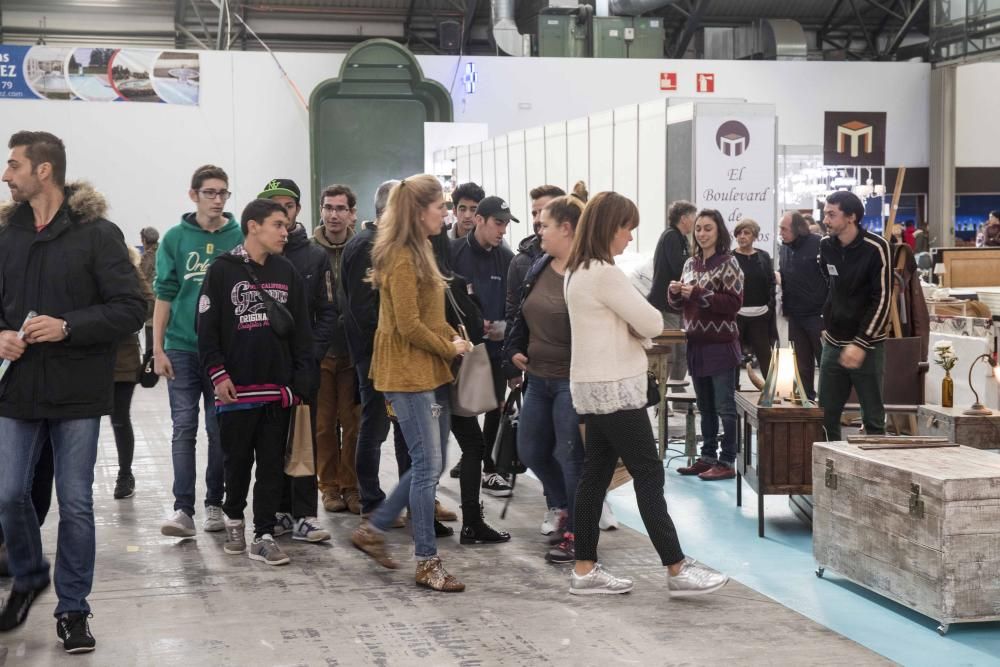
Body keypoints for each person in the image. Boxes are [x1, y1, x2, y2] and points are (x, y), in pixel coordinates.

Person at [0, 130, 146, 652]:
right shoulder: (6, 234)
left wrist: (68, 326)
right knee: (9, 493)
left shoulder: (98, 234)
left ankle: (74, 610)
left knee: (77, 503)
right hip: (17, 388)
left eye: (13, 164)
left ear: (44, 171)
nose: (5, 174)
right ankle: (28, 572)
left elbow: (133, 307)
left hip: (77, 390)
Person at [565, 191, 728, 597]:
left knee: (595, 477)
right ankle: (676, 567)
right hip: (617, 389)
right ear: (609, 227)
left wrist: (629, 325)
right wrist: (634, 326)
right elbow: (653, 322)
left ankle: (585, 568)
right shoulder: (604, 273)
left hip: (593, 388)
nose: (629, 239)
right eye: (626, 229)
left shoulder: (576, 271)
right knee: (649, 475)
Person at [351, 174, 470, 592]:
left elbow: (427, 314)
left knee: (431, 464)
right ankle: (426, 561)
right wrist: (447, 347)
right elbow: (407, 325)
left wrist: (453, 333)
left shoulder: (422, 249)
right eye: (441, 207)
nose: (447, 213)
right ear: (420, 211)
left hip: (425, 367)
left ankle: (375, 528)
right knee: (425, 468)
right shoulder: (402, 256)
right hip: (406, 370)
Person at [198, 199, 315, 565]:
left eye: (286, 225)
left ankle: (263, 534)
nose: (286, 231)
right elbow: (206, 329)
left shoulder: (287, 272)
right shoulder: (221, 271)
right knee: (236, 463)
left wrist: (298, 385)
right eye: (278, 225)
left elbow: (303, 334)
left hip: (277, 392)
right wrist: (218, 375)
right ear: (253, 226)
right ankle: (234, 518)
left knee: (270, 466)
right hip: (236, 393)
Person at [155, 164, 244, 539]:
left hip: (224, 352)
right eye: (209, 192)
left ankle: (214, 503)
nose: (217, 199)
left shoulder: (239, 235)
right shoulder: (175, 238)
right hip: (181, 348)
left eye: (223, 192)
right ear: (193, 195)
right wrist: (157, 349)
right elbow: (164, 294)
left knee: (219, 429)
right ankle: (183, 509)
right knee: (184, 429)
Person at [504, 195, 586, 564]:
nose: (539, 230)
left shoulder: (586, 273)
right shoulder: (538, 266)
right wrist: (515, 349)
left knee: (571, 457)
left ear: (566, 229)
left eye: (545, 225)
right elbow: (521, 313)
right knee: (530, 449)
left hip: (571, 380)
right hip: (537, 378)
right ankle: (562, 505)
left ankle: (579, 532)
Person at [259, 178, 336, 543]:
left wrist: (312, 356)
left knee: (305, 439)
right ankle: (276, 512)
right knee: (270, 441)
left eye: (286, 205)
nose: (281, 212)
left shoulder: (314, 256)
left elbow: (327, 312)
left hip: (303, 368)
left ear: (297, 210)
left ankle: (304, 514)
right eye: (273, 205)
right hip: (264, 370)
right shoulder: (255, 257)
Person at [341, 180, 412, 528]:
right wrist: (388, 345)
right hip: (374, 356)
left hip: (393, 355)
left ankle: (411, 498)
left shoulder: (389, 245)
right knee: (375, 425)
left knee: (403, 428)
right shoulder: (365, 247)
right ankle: (371, 499)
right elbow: (363, 309)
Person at [449, 196, 516, 498]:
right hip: (461, 349)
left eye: (504, 224)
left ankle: (488, 468)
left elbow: (515, 305)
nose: (502, 230)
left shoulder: (507, 258)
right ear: (479, 220)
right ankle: (470, 455)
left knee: (494, 406)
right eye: (497, 223)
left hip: (496, 349)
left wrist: (503, 327)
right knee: (461, 408)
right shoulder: (453, 254)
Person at [670, 210, 744, 481]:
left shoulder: (729, 263)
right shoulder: (690, 263)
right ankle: (708, 456)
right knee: (705, 405)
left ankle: (727, 460)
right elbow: (681, 305)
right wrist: (675, 293)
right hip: (696, 344)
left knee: (725, 406)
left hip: (721, 345)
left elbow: (734, 304)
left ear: (719, 232)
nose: (701, 233)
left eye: (708, 229)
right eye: (698, 228)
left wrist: (700, 294)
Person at [817, 190, 892, 441]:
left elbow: (882, 299)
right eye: (825, 213)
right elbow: (829, 284)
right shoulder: (825, 246)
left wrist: (861, 342)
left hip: (867, 346)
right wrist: (827, 321)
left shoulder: (877, 248)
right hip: (833, 343)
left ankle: (876, 477)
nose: (825, 220)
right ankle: (829, 473)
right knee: (825, 417)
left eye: (831, 214)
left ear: (851, 217)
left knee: (872, 419)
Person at [313, 184, 362, 514]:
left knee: (355, 423)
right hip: (320, 351)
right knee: (323, 424)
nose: (334, 214)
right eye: (329, 207)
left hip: (354, 351)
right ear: (321, 211)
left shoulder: (362, 248)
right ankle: (328, 486)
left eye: (341, 208)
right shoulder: (309, 250)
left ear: (352, 214)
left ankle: (351, 486)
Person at [110, 246, 156, 500]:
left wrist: (117, 316)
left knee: (119, 418)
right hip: (84, 357)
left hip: (122, 357)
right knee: (82, 423)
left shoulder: (127, 268)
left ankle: (125, 474)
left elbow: (148, 303)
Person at [647, 200, 697, 395]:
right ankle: (661, 396)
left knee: (682, 352)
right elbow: (679, 267)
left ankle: (677, 396)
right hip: (665, 303)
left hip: (678, 305)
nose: (695, 222)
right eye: (693, 217)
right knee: (669, 352)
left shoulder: (682, 238)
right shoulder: (671, 237)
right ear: (683, 218)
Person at [778, 212, 827, 402]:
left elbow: (830, 278)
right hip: (795, 316)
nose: (780, 232)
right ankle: (805, 403)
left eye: (784, 228)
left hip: (818, 315)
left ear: (797, 228)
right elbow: (785, 277)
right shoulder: (784, 248)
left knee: (826, 362)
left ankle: (831, 407)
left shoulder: (820, 244)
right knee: (800, 364)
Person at [732, 219, 776, 374]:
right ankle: (733, 392)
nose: (742, 236)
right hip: (737, 315)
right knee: (734, 356)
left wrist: (769, 307)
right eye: (739, 233)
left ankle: (771, 392)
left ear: (754, 236)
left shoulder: (763, 256)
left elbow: (771, 282)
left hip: (760, 314)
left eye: (746, 233)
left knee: (765, 355)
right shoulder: (729, 258)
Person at [139, 226, 158, 352]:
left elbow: (140, 278)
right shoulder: (164, 252)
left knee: (151, 350)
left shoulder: (148, 257)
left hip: (152, 307)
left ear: (144, 240)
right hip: (166, 306)